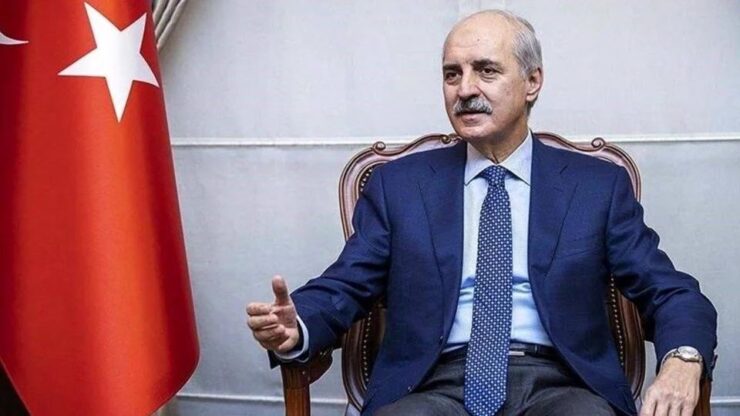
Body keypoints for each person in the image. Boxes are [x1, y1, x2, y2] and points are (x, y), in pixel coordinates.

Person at [246, 10, 717, 416]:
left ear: (532, 82)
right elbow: (346, 285)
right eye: (452, 74)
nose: (465, 89)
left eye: (486, 71)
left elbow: (671, 291)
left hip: (563, 385)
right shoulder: (399, 186)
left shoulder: (595, 186)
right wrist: (297, 325)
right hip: (431, 385)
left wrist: (683, 357)